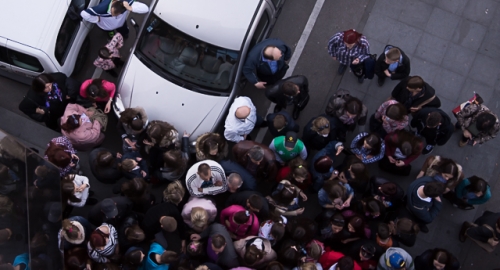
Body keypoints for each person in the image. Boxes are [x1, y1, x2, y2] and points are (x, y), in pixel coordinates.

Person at [81, 0, 149, 39]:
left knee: (124, 32)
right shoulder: (101, 8)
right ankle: (111, 36)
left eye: (116, 14)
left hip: (121, 24)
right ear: (113, 3)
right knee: (110, 33)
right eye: (111, 12)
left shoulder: (126, 3)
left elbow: (146, 9)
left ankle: (125, 34)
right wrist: (96, 19)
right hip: (106, 26)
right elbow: (83, 13)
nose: (112, 15)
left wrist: (130, 8)